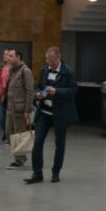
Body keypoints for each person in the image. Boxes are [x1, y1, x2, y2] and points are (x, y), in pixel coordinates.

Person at [26, 47, 78, 184]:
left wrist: (57, 91)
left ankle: (56, 172)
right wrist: (37, 95)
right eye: (47, 60)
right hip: (44, 112)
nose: (50, 63)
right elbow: (39, 87)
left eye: (52, 61)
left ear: (59, 58)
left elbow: (73, 91)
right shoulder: (44, 70)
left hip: (60, 113)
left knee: (59, 144)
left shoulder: (68, 71)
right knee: (37, 143)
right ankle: (37, 174)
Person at [4, 49, 35, 170]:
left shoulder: (25, 71)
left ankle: (19, 160)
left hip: (20, 109)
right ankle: (20, 157)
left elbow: (30, 91)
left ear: (19, 57)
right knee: (8, 133)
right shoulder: (12, 71)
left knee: (19, 135)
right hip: (10, 108)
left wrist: (28, 110)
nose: (8, 58)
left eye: (11, 56)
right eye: (8, 56)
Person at [0, 51, 12, 145]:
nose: (5, 56)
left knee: (9, 117)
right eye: (4, 54)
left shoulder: (14, 67)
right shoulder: (1, 67)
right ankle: (7, 133)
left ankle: (8, 135)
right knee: (0, 117)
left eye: (7, 54)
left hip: (9, 96)